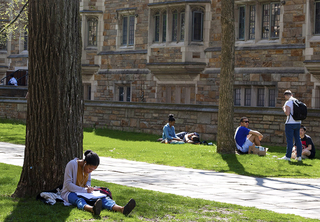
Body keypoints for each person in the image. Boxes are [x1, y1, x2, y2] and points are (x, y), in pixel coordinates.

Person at [61, 150, 136, 216]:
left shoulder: (88, 169)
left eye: (93, 170)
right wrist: (85, 190)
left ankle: (121, 209)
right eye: (90, 168)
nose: (90, 171)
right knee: (79, 200)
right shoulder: (72, 164)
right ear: (85, 162)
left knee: (103, 198)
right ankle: (92, 209)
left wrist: (88, 187)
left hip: (85, 193)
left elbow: (88, 181)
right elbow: (68, 185)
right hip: (70, 193)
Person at [279, 90, 303, 161]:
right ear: (292, 94)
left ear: (286, 96)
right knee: (298, 139)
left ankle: (288, 157)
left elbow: (287, 113)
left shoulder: (288, 102)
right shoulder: (297, 101)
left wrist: (284, 108)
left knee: (289, 140)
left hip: (290, 123)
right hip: (298, 123)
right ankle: (299, 157)